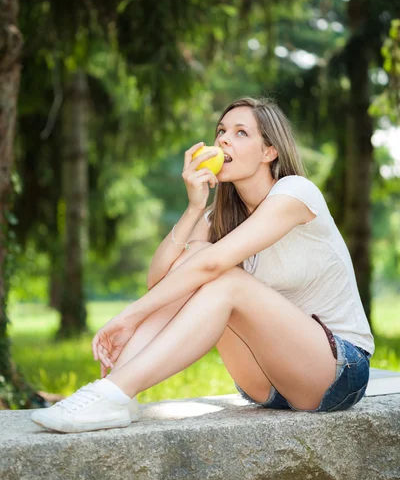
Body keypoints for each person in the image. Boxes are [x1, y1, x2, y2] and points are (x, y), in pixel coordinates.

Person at [31, 96, 374, 433]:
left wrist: (128, 316)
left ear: (269, 152)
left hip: (338, 369)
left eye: (241, 133)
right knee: (196, 259)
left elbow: (211, 268)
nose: (224, 138)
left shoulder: (296, 193)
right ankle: (119, 394)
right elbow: (162, 279)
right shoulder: (222, 216)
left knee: (223, 278)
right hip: (265, 382)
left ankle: (112, 391)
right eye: (221, 131)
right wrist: (195, 207)